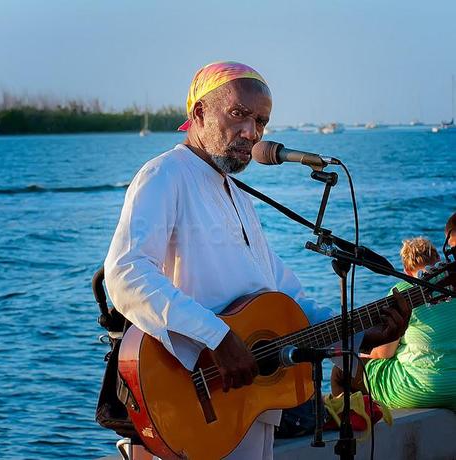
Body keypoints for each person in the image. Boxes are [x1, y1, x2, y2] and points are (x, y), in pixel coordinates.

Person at [104, 61, 411, 459]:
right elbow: (126, 272)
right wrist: (216, 337)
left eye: (261, 122)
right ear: (199, 113)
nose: (251, 133)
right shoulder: (165, 174)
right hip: (195, 395)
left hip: (246, 407)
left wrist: (356, 335)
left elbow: (285, 299)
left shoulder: (239, 195)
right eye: (239, 115)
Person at [332, 233, 456, 411]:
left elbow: (385, 353)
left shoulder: (403, 292)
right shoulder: (451, 282)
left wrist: (364, 352)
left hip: (426, 387)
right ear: (438, 259)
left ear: (406, 269)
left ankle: (347, 421)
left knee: (342, 369)